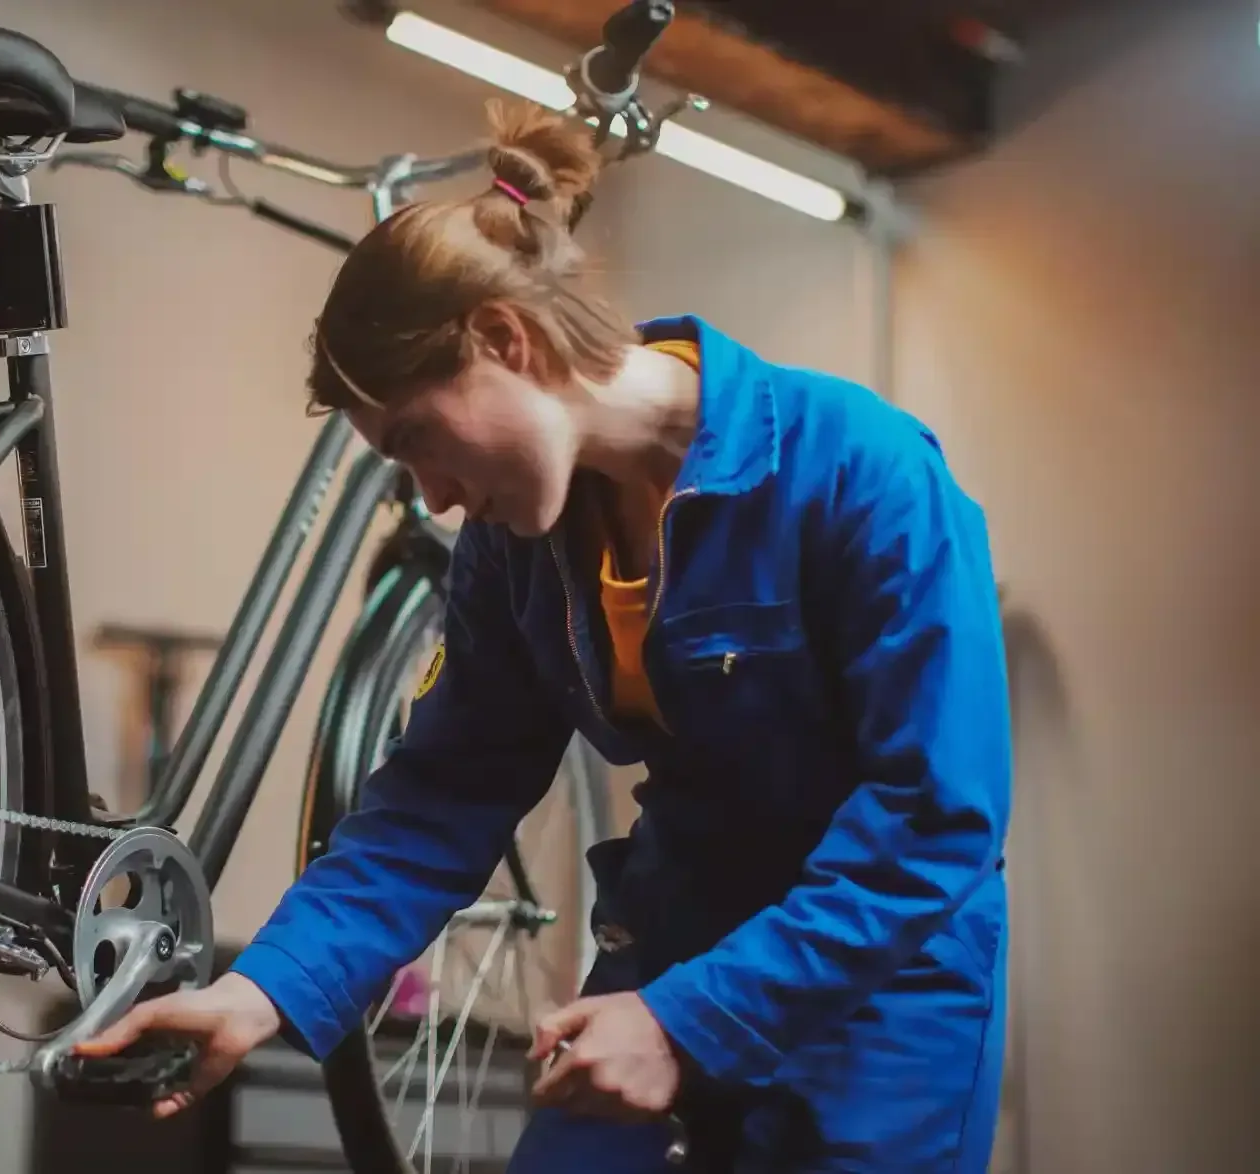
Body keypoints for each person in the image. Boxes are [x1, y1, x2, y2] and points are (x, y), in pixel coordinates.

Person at [76, 98, 1012, 1173]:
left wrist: (687, 1021)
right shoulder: (514, 551)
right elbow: (440, 793)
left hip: (878, 988)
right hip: (673, 941)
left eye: (419, 437)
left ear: (503, 340)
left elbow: (936, 816)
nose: (429, 495)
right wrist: (260, 989)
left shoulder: (863, 470)